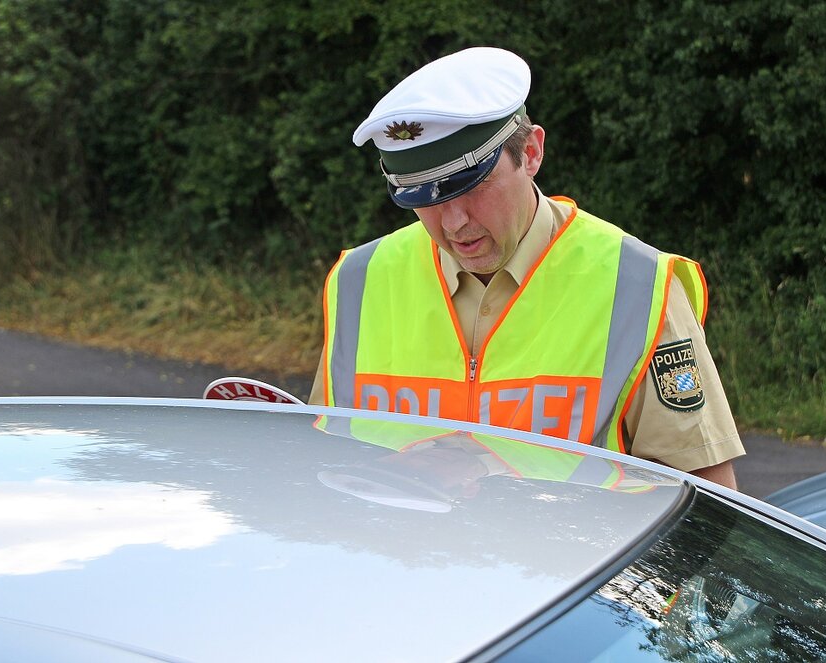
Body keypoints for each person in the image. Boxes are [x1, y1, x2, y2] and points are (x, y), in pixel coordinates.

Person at [309, 47, 744, 489]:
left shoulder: (636, 284)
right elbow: (322, 465)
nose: (454, 223)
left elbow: (708, 499)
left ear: (532, 153)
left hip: (583, 559)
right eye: (424, 198)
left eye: (472, 186)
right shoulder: (360, 280)